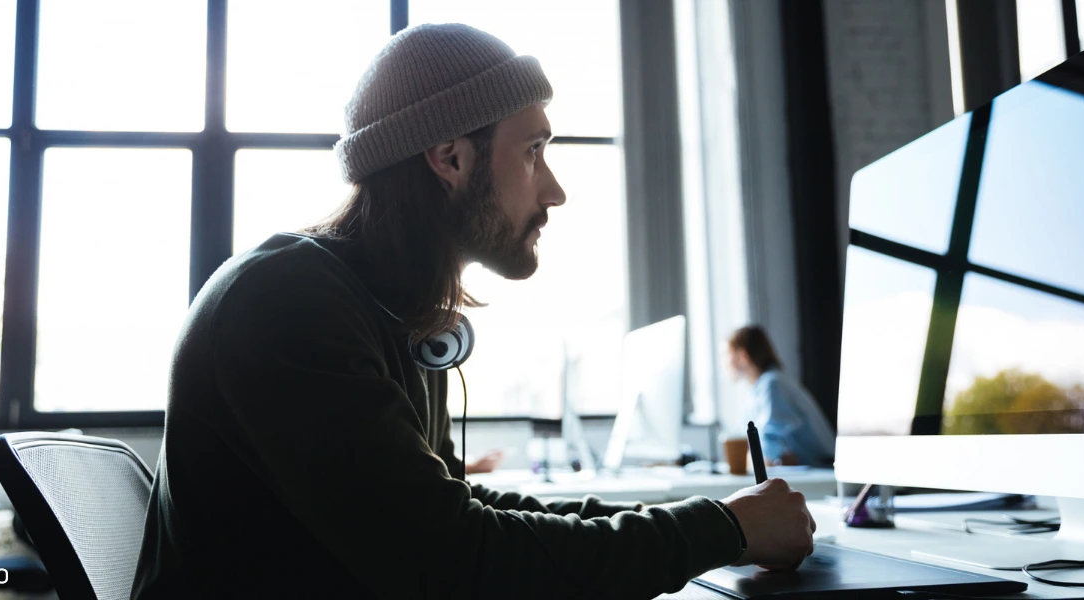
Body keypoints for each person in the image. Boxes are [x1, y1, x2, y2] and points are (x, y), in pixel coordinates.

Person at [132, 24, 814, 599]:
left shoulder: (387, 310)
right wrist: (722, 529)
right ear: (451, 157)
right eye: (534, 151)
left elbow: (460, 509)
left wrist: (713, 518)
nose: (555, 191)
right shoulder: (288, 307)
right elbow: (454, 560)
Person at [726, 325, 836, 467]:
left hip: (820, 470)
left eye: (726, 355)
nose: (724, 363)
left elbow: (768, 451)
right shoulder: (755, 392)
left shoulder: (773, 384)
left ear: (742, 357)